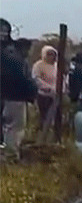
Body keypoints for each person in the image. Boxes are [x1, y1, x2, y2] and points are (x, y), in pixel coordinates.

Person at [0, 18, 38, 155]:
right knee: (14, 129)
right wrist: (32, 92)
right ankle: (10, 156)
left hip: (7, 96)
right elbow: (20, 78)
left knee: (8, 127)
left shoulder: (7, 52)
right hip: (14, 97)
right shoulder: (12, 54)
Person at [31, 45, 58, 129]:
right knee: (44, 115)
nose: (51, 56)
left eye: (53, 54)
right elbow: (36, 79)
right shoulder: (38, 65)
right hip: (43, 95)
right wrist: (48, 87)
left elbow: (61, 78)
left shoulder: (56, 66)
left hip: (56, 94)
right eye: (49, 54)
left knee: (54, 116)